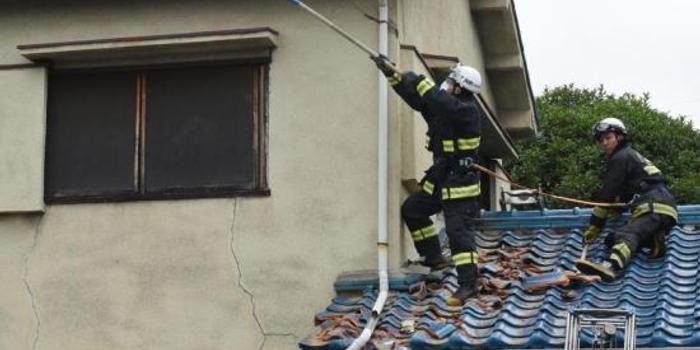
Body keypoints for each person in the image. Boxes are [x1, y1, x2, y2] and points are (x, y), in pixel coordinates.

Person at [373, 55, 482, 306]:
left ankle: (469, 284)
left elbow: (433, 97)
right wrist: (393, 75)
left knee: (458, 232)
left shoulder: (466, 111)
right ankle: (434, 257)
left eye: (450, 81)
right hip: (442, 177)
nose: (445, 84)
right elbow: (417, 99)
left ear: (460, 87)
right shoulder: (444, 107)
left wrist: (417, 78)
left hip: (460, 185)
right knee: (413, 209)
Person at [576, 117, 678, 282]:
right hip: (663, 208)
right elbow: (626, 194)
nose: (604, 143)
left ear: (620, 137)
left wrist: (595, 225)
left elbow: (607, 195)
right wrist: (617, 209)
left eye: (608, 138)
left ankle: (611, 267)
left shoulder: (620, 157)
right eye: (601, 140)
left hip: (653, 206)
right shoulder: (631, 156)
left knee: (627, 234)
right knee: (612, 239)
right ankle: (654, 242)